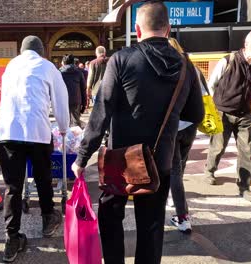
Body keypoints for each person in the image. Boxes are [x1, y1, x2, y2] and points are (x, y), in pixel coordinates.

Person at [71, 2, 204, 263]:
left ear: (137, 29)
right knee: (152, 224)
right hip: (160, 157)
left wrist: (82, 157)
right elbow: (195, 115)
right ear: (168, 29)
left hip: (119, 159)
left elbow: (101, 113)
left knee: (110, 215)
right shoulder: (186, 65)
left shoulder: (121, 59)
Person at [0, 35, 70, 263]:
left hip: (9, 133)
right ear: (41, 51)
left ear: (21, 50)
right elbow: (60, 100)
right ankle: (48, 218)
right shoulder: (48, 67)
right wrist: (64, 128)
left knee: (13, 187)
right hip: (37, 131)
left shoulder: (10, 66)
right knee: (42, 177)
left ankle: (11, 239)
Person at [204, 30, 251, 202]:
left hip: (245, 113)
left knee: (246, 151)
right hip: (222, 111)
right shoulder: (228, 60)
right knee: (218, 146)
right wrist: (213, 110)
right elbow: (212, 85)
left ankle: (244, 186)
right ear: (247, 44)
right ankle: (209, 170)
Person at [167, 38, 208, 233]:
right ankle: (175, 197)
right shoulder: (192, 67)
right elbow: (204, 94)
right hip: (191, 125)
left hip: (172, 125)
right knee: (179, 167)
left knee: (174, 170)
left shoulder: (166, 69)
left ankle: (183, 217)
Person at [60, 54, 87, 128]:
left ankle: (65, 138)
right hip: (76, 100)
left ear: (63, 62)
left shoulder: (59, 73)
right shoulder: (78, 72)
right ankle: (77, 138)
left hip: (63, 101)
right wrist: (84, 104)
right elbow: (83, 89)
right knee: (76, 123)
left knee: (64, 123)